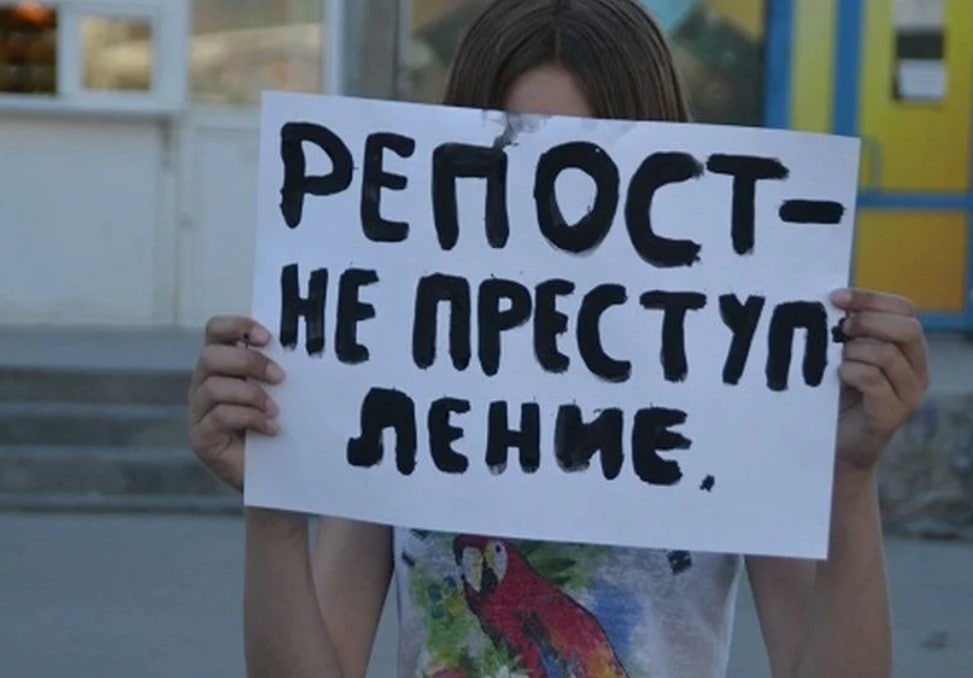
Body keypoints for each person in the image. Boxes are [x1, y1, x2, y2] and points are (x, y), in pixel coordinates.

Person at [187, 1, 929, 676]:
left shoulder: (729, 391)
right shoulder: (400, 381)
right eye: (517, 162)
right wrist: (275, 509)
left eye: (594, 168)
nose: (555, 208)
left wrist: (847, 479)